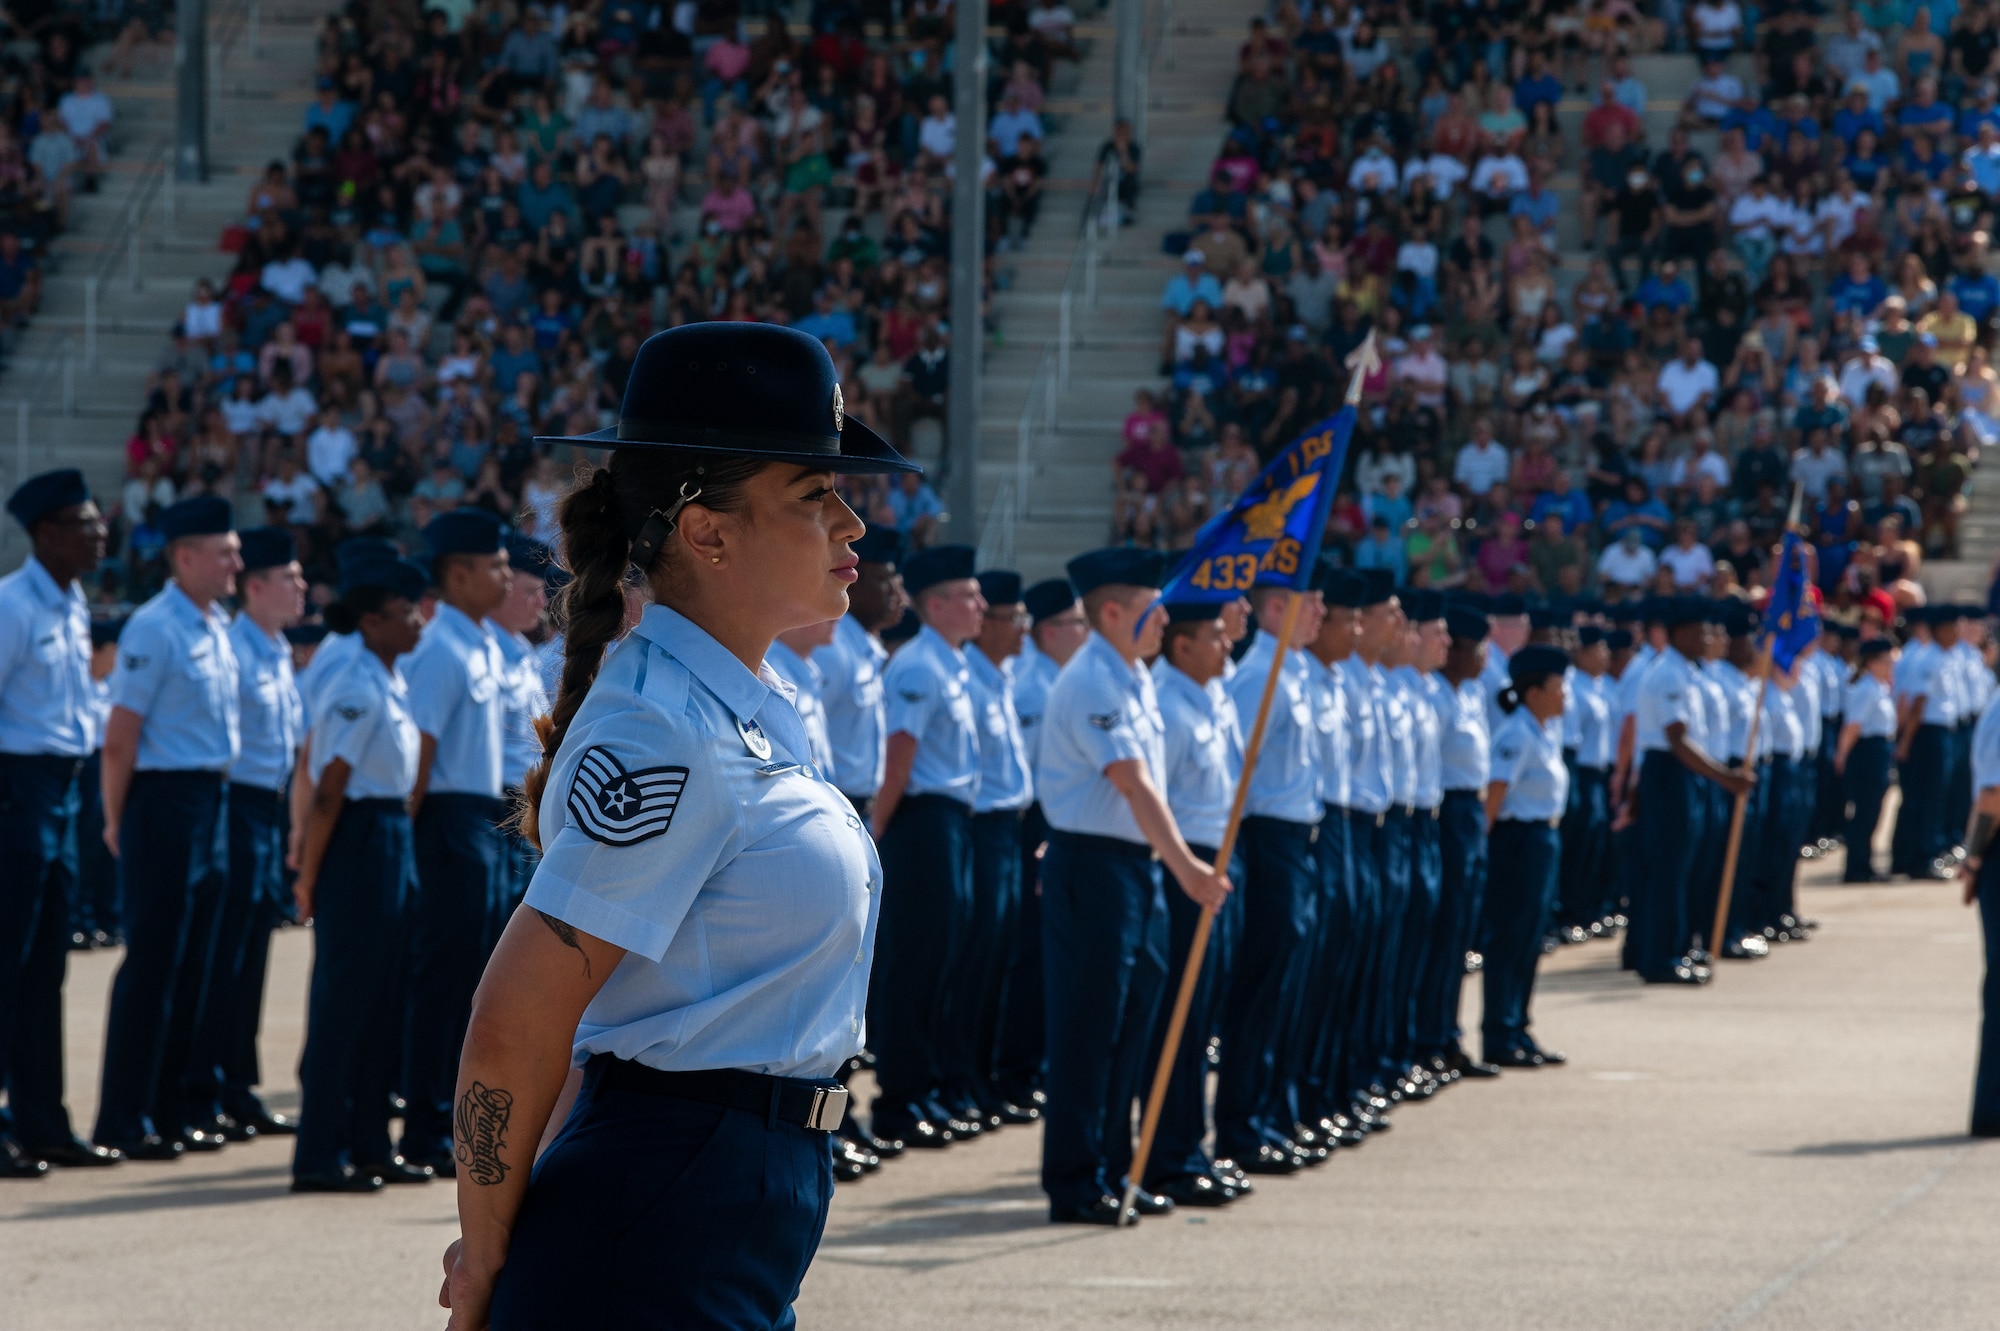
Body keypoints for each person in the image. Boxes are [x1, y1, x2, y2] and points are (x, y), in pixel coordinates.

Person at [436, 322, 912, 1328]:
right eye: (812, 494)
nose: (851, 524)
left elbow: (605, 1033)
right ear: (707, 530)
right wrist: (484, 1256)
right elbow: (515, 1021)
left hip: (726, 1190)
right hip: (670, 1200)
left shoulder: (744, 702)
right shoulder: (663, 729)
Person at [1035, 546, 1231, 1225]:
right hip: (1093, 868)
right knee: (1090, 1028)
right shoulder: (1092, 680)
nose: (1165, 618)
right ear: (1112, 611)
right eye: (1153, 607)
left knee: (1133, 1024)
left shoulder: (1134, 676)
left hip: (1132, 869)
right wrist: (1189, 869)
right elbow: (1134, 783)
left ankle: (1117, 1169)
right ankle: (1075, 1178)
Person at [94, 494, 243, 1160]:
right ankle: (124, 1115)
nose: (235, 560)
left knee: (196, 966)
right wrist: (118, 818)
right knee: (154, 963)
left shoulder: (213, 623)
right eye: (224, 550)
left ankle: (171, 1107)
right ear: (185, 556)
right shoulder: (155, 626)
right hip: (162, 799)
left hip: (209, 798)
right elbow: (121, 737)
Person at [289, 554, 431, 1192]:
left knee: (384, 1003)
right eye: (405, 613)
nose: (417, 622)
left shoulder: (387, 680)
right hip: (359, 840)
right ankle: (319, 1153)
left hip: (390, 838)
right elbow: (328, 789)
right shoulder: (354, 683)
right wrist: (308, 874)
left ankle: (372, 1143)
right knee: (344, 1006)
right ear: (372, 621)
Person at [0, 469, 117, 1175]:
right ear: (48, 533)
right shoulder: (13, 604)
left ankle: (44, 1121)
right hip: (18, 790)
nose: (101, 534)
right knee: (6, 966)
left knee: (46, 968)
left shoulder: (70, 602)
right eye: (87, 523)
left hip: (63, 789)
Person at [400, 507, 514, 1175]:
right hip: (446, 819)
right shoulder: (440, 645)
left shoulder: (486, 642)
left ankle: (453, 1120)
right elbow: (421, 750)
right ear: (459, 573)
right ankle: (422, 1126)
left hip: (487, 819)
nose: (506, 574)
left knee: (476, 981)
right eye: (494, 564)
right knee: (442, 982)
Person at [869, 543, 984, 1147]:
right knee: (915, 964)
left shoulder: (953, 663)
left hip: (952, 822)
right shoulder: (918, 665)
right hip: (920, 822)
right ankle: (900, 1100)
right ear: (935, 605)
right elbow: (901, 756)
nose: (980, 605)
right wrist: (879, 828)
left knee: (946, 962)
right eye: (968, 596)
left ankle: (929, 1089)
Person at [195, 527, 304, 1146]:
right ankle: (206, 1086)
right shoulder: (235, 649)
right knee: (223, 954)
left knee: (252, 955)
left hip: (268, 808)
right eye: (288, 578)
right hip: (234, 805)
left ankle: (238, 1085)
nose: (301, 588)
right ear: (255, 587)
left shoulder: (273, 648)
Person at [1216, 580, 1329, 1175]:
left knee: (1286, 989)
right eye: (1311, 602)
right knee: (1260, 992)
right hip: (1267, 842)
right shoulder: (1259, 676)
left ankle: (1272, 1116)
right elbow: (1239, 773)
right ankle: (1241, 1128)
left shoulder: (1292, 670)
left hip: (1298, 841)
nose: (1323, 613)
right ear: (1277, 609)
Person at [1144, 600, 1247, 1206]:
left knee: (1200, 1015)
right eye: (1214, 636)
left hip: (1216, 861)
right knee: (1177, 1023)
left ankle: (1192, 1147)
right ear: (1182, 646)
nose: (1227, 645)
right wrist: (1186, 869)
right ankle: (1167, 1157)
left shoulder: (1205, 695)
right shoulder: (1166, 703)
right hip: (1184, 868)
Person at [994, 576, 1087, 1117]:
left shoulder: (1058, 679)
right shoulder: (1035, 687)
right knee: (1029, 954)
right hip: (1037, 824)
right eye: (1077, 622)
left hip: (1053, 824)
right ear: (1051, 632)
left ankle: (1033, 1063)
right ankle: (1016, 1068)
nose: (1085, 631)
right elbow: (1037, 771)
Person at [1629, 600, 1751, 986]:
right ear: (1680, 633)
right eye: (1700, 631)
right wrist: (1725, 778)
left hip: (1685, 774)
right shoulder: (1668, 675)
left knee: (1684, 868)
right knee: (1669, 869)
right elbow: (1678, 740)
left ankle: (1677, 948)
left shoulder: (1690, 672)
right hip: (1669, 772)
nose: (1708, 639)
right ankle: (1659, 958)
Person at [962, 569, 1035, 1124]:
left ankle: (982, 1080)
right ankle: (962, 1079)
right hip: (979, 828)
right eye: (1013, 618)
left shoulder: (1000, 677)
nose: (1022, 630)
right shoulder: (967, 674)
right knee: (975, 963)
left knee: (1000, 962)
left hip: (1011, 828)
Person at [1482, 644, 1572, 1067]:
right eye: (1557, 687)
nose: (1564, 695)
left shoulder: (1542, 730)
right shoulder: (1515, 733)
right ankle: (1499, 1032)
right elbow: (1495, 796)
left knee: (1530, 938)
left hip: (1542, 839)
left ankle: (1519, 1026)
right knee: (1510, 937)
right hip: (1518, 842)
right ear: (1533, 692)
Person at [1428, 603, 1499, 1079]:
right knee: (1442, 931)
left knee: (1460, 933)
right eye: (1479, 650)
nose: (1485, 660)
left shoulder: (1471, 694)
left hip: (1470, 811)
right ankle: (1431, 1037)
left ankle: (1448, 1036)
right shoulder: (1434, 693)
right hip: (1447, 812)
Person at [812, 526, 905, 819]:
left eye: (894, 579)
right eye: (882, 580)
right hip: (833, 805)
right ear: (853, 583)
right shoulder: (832, 649)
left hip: (858, 807)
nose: (893, 592)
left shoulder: (863, 647)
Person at [491, 534, 559, 917]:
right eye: (532, 590)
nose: (543, 602)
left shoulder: (521, 652)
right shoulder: (485, 652)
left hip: (526, 810)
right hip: (496, 813)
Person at [1892, 605, 1963, 879]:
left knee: (1934, 796)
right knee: (1926, 797)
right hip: (1928, 734)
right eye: (1952, 627)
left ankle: (1918, 855)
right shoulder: (1930, 659)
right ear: (1940, 630)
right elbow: (1918, 704)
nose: (1957, 632)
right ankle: (1921, 858)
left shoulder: (1943, 657)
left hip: (1940, 732)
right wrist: (1906, 742)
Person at [1837, 636, 1899, 883]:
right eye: (1886, 662)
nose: (1890, 667)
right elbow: (1853, 727)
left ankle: (1865, 862)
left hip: (1880, 750)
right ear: (1871, 663)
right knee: (1864, 812)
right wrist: (1841, 755)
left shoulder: (1878, 687)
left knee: (1873, 811)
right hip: (1866, 753)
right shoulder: (1865, 689)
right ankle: (1856, 866)